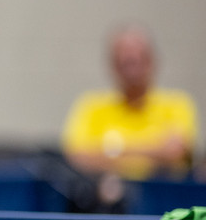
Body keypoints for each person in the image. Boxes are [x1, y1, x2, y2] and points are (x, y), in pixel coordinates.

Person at [61, 24, 199, 183]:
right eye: (126, 62)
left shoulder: (177, 104)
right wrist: (156, 149)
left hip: (164, 194)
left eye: (138, 60)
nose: (133, 71)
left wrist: (112, 149)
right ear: (113, 66)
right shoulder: (90, 106)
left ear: (152, 62)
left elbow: (176, 153)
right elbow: (77, 157)